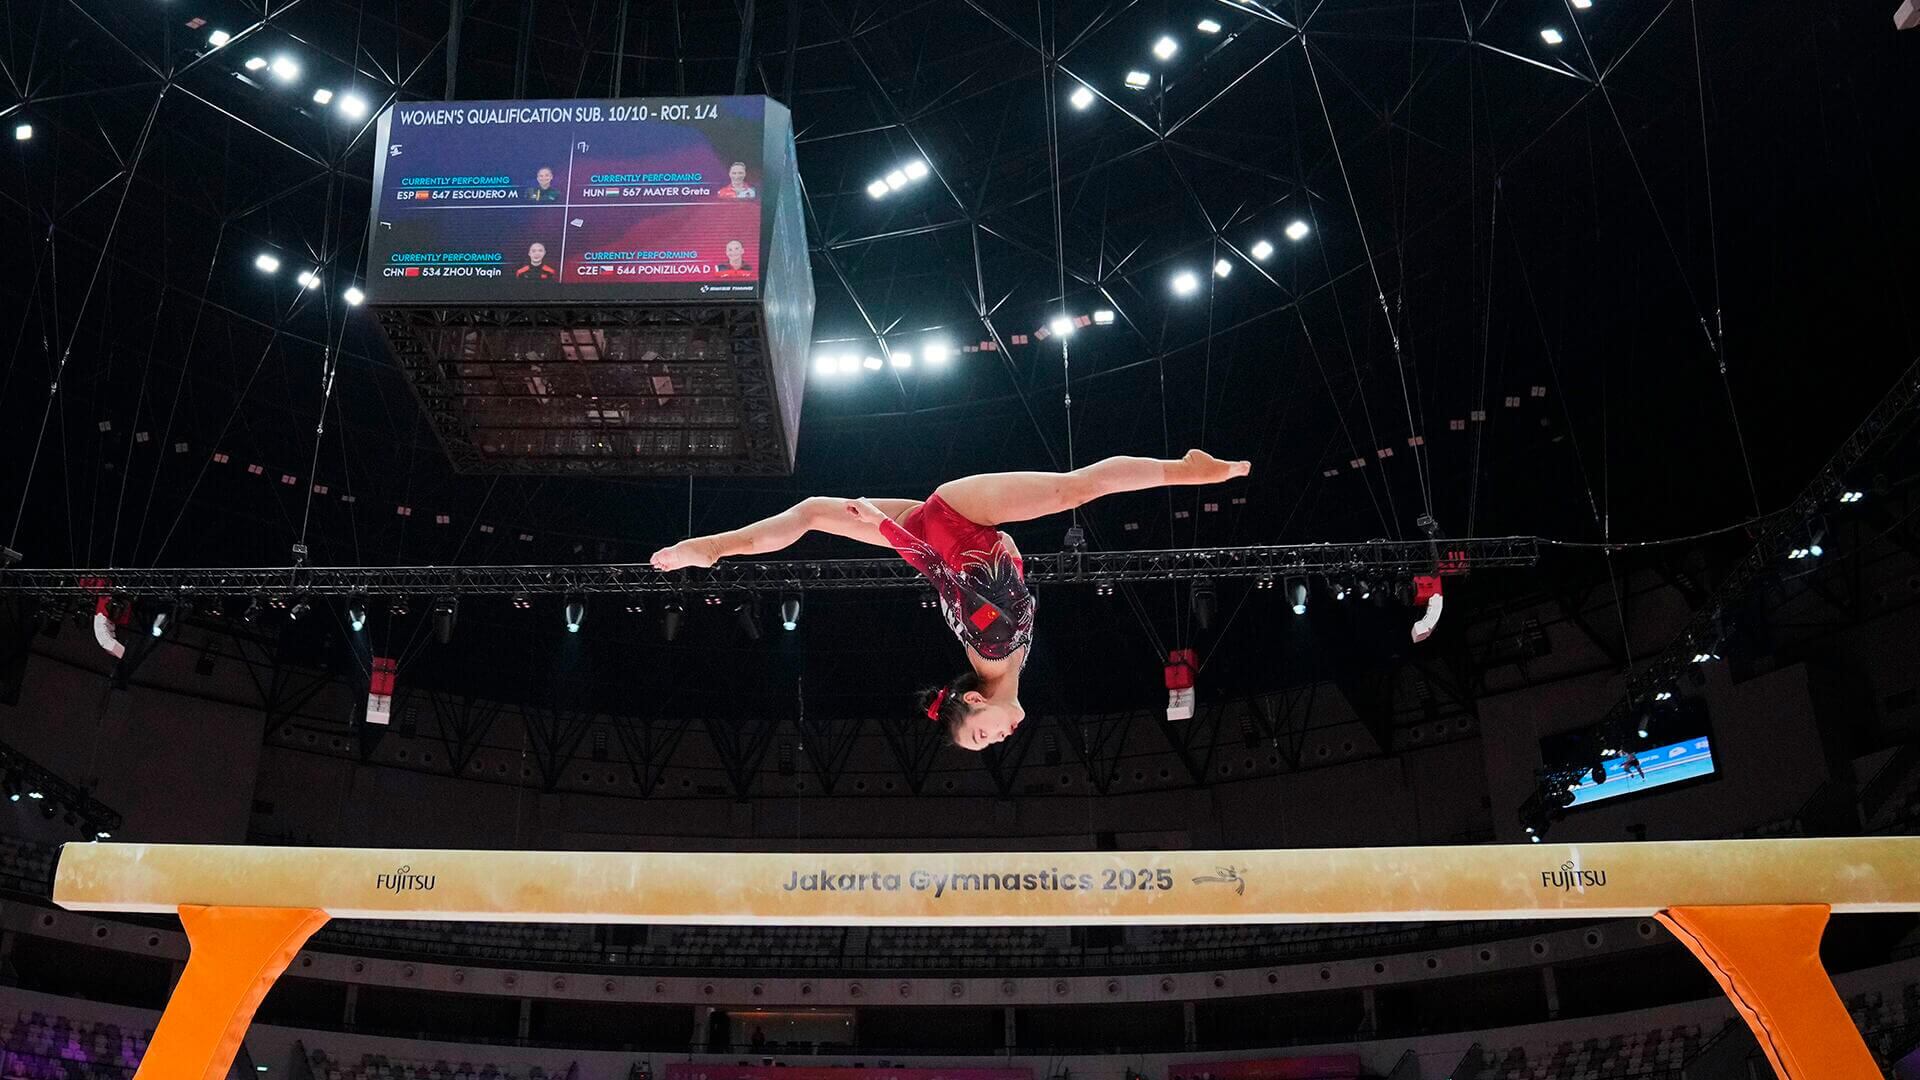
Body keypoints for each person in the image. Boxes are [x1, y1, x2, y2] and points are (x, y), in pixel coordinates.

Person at [650, 451, 1251, 751]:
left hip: (955, 523)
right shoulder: (1010, 662)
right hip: (949, 534)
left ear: (970, 700)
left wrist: (890, 531)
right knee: (810, 514)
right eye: (986, 743)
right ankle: (710, 548)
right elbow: (963, 584)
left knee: (1079, 487)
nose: (997, 739)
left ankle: (1190, 470)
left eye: (980, 736)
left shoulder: (992, 648)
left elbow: (950, 576)